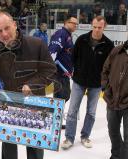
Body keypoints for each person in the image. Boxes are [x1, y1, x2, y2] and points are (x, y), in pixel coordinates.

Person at [0, 11, 57, 159]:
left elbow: (50, 70)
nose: (4, 34)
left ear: (15, 24)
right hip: (7, 105)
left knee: (35, 148)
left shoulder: (37, 44)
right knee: (8, 147)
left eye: (7, 28)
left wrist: (32, 85)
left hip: (34, 105)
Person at [61, 16, 114, 149]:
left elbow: (109, 66)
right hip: (79, 81)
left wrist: (105, 83)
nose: (96, 30)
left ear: (104, 27)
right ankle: (69, 138)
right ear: (92, 25)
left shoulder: (108, 44)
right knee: (72, 110)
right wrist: (75, 72)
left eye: (99, 27)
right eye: (94, 27)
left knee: (91, 112)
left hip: (96, 85)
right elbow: (73, 58)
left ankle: (85, 136)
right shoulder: (81, 40)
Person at [48, 16, 78, 128]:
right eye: (73, 23)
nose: (75, 26)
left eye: (77, 24)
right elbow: (52, 52)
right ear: (66, 22)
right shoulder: (61, 34)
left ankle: (55, 121)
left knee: (61, 97)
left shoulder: (68, 35)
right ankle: (54, 122)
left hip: (64, 74)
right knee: (61, 97)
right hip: (59, 74)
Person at [101, 43, 128, 159]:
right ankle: (116, 155)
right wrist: (106, 88)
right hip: (112, 99)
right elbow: (105, 70)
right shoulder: (117, 50)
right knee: (113, 131)